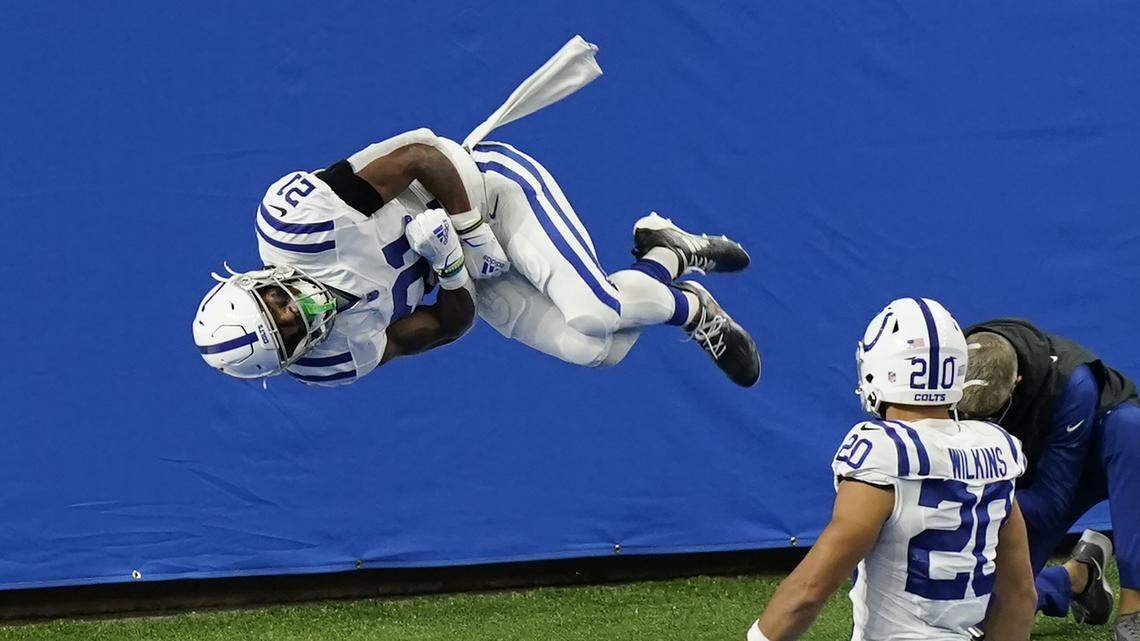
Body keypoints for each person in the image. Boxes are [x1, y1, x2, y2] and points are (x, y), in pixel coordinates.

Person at [191, 128, 760, 387]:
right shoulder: (330, 361)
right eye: (289, 332)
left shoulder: (298, 224)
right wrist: (452, 270)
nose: (295, 313)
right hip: (462, 267)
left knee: (594, 311)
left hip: (484, 193)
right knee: (596, 352)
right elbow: (441, 326)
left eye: (273, 304)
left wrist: (468, 231)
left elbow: (419, 156)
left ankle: (694, 313)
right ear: (293, 359)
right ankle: (667, 255)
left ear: (252, 280)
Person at [746, 298, 1036, 641]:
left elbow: (809, 591)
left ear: (880, 368)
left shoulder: (885, 451)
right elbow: (1020, 596)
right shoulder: (995, 449)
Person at [959, 319, 1140, 640]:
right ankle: (1076, 577)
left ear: (1016, 382)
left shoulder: (1073, 383)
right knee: (974, 619)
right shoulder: (941, 374)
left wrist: (974, 495)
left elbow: (1049, 507)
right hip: (1023, 478)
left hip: (1082, 463)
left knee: (1132, 429)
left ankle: (1135, 611)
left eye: (988, 416)